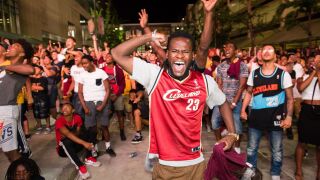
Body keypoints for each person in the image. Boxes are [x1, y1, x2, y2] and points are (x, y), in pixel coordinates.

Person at [111, 1, 238, 179]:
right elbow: (117, 53)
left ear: (192, 56)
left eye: (185, 52)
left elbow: (223, 103)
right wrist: (150, 35)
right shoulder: (154, 76)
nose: (179, 55)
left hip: (196, 165)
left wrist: (233, 133)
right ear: (167, 54)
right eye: (174, 51)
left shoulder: (204, 81)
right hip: (164, 166)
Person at [241, 45, 294, 180]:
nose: (266, 52)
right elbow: (248, 92)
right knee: (251, 148)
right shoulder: (255, 74)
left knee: (276, 150)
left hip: (276, 119)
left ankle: (275, 173)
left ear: (275, 56)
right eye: (264, 50)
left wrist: (288, 117)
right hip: (256, 117)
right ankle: (250, 169)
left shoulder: (283, 74)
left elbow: (290, 98)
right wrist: (243, 109)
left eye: (270, 50)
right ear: (260, 55)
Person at [0, 39, 35, 162]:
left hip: (5, 111)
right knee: (7, 151)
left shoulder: (19, 67)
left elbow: (31, 70)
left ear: (22, 54)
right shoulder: (4, 66)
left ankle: (26, 173)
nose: (10, 47)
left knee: (11, 152)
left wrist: (6, 66)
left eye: (15, 46)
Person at [78, 55, 116, 157]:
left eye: (85, 63)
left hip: (102, 101)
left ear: (91, 62)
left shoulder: (101, 73)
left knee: (104, 126)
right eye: (82, 64)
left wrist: (103, 105)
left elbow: (108, 89)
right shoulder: (82, 75)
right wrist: (85, 107)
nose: (84, 66)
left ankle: (108, 147)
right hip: (89, 103)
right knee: (92, 128)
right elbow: (80, 93)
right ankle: (95, 149)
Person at [214, 42, 249, 154]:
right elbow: (219, 84)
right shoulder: (221, 66)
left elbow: (242, 86)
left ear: (236, 51)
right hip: (222, 100)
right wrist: (219, 100)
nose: (227, 49)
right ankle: (221, 144)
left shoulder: (242, 65)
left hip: (236, 100)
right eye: (226, 47)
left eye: (230, 47)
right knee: (214, 122)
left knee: (237, 128)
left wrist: (234, 103)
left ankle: (237, 148)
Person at [55, 103, 101, 179]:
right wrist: (84, 143)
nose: (64, 109)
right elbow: (67, 134)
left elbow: (78, 133)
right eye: (63, 108)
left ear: (73, 110)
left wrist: (73, 135)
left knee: (91, 131)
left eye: (67, 107)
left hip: (76, 146)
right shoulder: (59, 121)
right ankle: (80, 166)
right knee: (66, 140)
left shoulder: (77, 118)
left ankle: (89, 157)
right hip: (63, 150)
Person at [294, 56, 320, 180]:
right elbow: (301, 88)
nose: (314, 63)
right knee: (302, 142)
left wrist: (318, 73)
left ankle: (319, 173)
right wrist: (314, 72)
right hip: (307, 110)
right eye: (313, 62)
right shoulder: (301, 77)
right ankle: (299, 170)